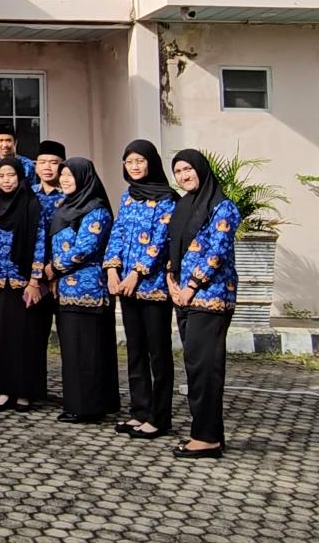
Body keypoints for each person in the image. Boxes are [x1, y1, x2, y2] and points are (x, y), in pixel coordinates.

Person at [167, 149, 240, 459]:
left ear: (202, 169)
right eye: (179, 171)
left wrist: (192, 286)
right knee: (196, 367)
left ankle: (207, 438)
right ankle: (208, 434)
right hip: (184, 296)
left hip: (210, 298)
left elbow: (215, 253)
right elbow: (174, 246)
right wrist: (172, 281)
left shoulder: (223, 208)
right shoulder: (184, 205)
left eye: (188, 169)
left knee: (206, 368)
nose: (184, 176)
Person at [105, 139, 177, 439]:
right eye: (129, 162)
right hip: (126, 288)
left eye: (139, 161)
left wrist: (136, 273)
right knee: (135, 351)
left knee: (157, 353)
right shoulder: (129, 197)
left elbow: (162, 241)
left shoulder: (167, 198)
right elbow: (118, 232)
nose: (134, 167)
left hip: (154, 287)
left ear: (151, 162)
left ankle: (159, 417)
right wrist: (112, 268)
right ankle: (139, 411)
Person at [48, 156, 119, 425]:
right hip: (66, 290)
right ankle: (78, 403)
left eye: (70, 175)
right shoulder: (65, 207)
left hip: (89, 290)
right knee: (73, 350)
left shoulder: (95, 209)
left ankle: (89, 407)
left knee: (87, 350)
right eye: (62, 175)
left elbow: (85, 249)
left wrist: (54, 268)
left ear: (84, 178)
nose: (65, 180)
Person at [0, 156, 45, 413]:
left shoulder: (32, 205)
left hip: (23, 281)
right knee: (1, 337)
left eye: (11, 176)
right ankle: (4, 390)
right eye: (2, 176)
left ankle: (25, 392)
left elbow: (40, 244)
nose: (6, 181)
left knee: (25, 338)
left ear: (21, 177)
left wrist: (34, 280)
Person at [29, 139, 67, 399]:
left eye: (53, 163)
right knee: (34, 334)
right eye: (42, 162)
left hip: (65, 275)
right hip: (35, 276)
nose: (47, 168)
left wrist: (56, 269)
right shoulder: (28, 194)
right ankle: (33, 389)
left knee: (68, 337)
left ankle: (72, 391)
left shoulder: (70, 196)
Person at [0, 130, 36, 207]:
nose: (4, 145)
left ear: (15, 142)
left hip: (19, 211)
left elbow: (32, 188)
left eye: (8, 140)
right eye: (0, 140)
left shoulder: (27, 164)